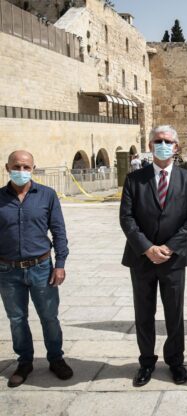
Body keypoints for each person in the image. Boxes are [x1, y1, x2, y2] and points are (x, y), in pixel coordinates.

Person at [120, 125, 187, 387]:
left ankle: (175, 361)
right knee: (143, 313)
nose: (162, 144)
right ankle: (146, 362)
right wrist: (147, 247)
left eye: (167, 141)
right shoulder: (135, 179)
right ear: (150, 145)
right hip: (141, 258)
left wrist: (169, 247)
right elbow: (126, 218)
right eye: (158, 140)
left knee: (174, 312)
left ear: (176, 147)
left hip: (173, 259)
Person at [0, 150, 73, 388]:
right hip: (8, 270)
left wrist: (60, 264)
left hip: (41, 267)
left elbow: (59, 231)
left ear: (33, 168)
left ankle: (56, 358)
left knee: (49, 317)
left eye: (26, 167)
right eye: (17, 167)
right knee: (17, 319)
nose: (21, 171)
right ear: (6, 167)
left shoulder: (47, 195)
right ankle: (24, 362)